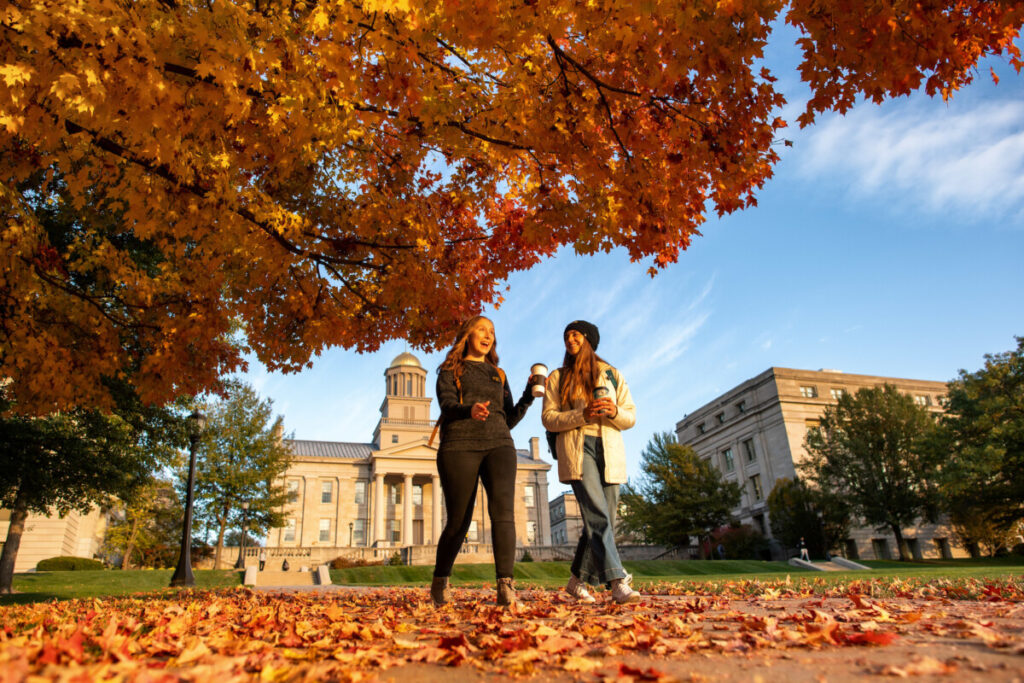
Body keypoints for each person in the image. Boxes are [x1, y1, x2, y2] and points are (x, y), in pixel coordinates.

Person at [430, 315, 542, 607]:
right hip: (459, 445)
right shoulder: (449, 369)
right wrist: (470, 410)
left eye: (492, 331)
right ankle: (440, 581)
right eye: (481, 329)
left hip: (500, 445)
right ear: (467, 334)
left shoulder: (498, 373)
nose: (488, 334)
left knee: (503, 513)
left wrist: (528, 397)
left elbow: (508, 418)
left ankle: (505, 586)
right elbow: (447, 405)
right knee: (459, 520)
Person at [542, 320, 640, 604]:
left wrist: (614, 411)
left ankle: (576, 581)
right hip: (577, 446)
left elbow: (631, 416)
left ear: (588, 340)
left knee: (602, 518)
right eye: (566, 336)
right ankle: (617, 580)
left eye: (575, 334)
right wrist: (581, 416)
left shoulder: (612, 374)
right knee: (597, 513)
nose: (569, 339)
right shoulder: (558, 377)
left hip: (608, 447)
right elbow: (548, 417)